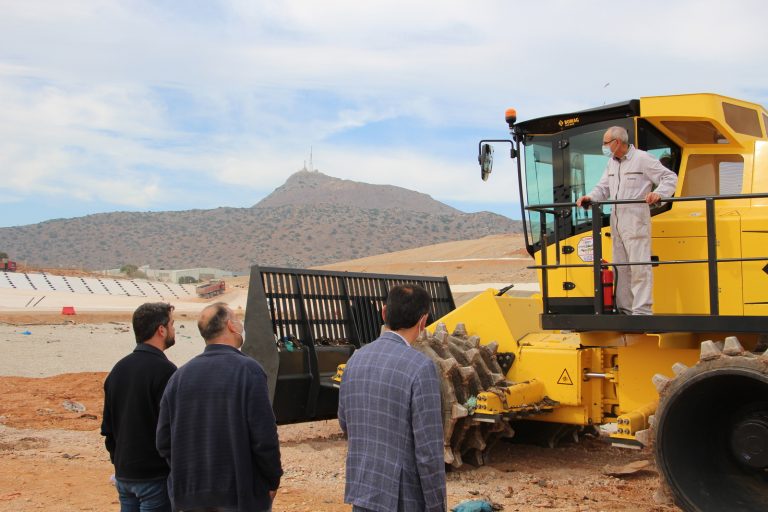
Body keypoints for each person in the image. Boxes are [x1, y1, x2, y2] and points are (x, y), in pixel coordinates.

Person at [156, 302, 282, 512]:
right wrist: (272, 479)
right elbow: (264, 437)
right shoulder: (249, 371)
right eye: (237, 319)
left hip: (190, 496)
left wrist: (186, 474)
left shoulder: (179, 376)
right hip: (239, 496)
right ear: (230, 326)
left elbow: (163, 441)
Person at [338, 284, 447, 512]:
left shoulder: (355, 360)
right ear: (423, 321)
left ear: (384, 312)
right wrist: (437, 506)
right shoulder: (421, 367)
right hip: (402, 498)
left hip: (363, 490)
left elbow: (345, 423)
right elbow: (428, 450)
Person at [576, 126, 678, 315]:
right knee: (621, 268)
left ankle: (642, 312)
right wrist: (590, 198)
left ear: (617, 142)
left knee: (639, 267)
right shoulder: (612, 164)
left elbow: (669, 177)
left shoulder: (642, 159)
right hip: (617, 222)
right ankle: (626, 310)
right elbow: (603, 188)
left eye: (606, 143)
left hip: (635, 220)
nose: (603, 147)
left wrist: (658, 194)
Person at [101, 302, 178, 512]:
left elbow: (108, 428)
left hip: (125, 475)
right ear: (161, 330)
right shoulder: (166, 371)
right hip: (155, 477)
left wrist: (119, 465)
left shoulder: (118, 369)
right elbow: (173, 429)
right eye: (172, 324)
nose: (174, 329)